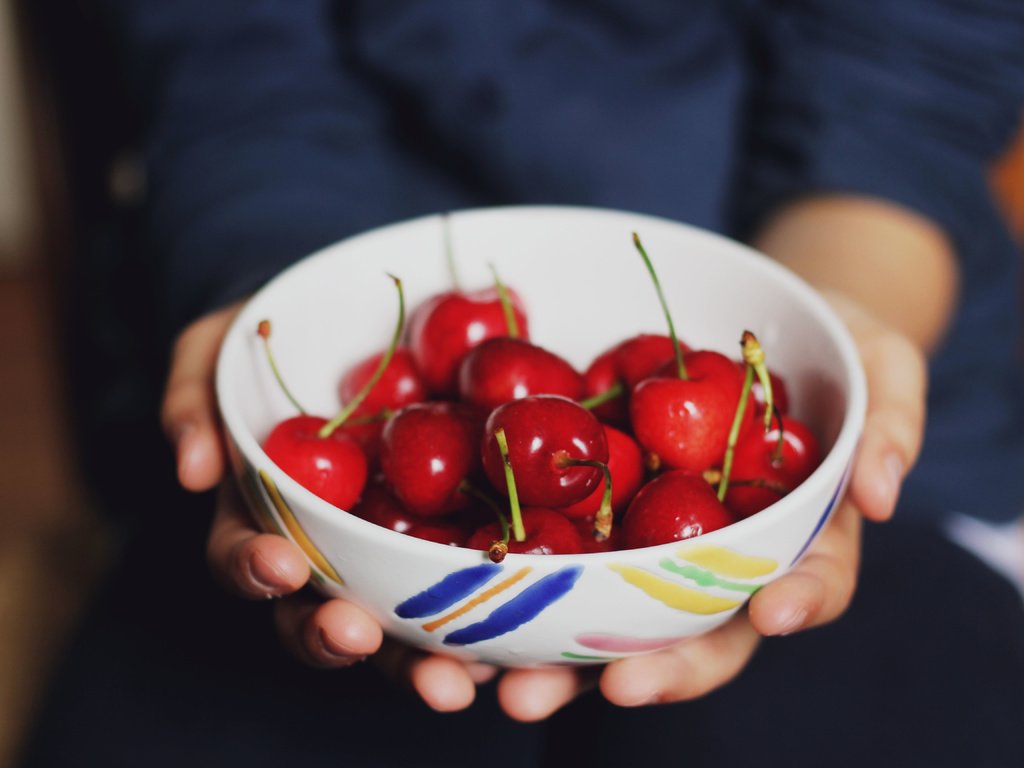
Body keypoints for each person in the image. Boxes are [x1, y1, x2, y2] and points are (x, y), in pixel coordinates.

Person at [19, 1, 1024, 765]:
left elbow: (909, 83)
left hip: (854, 379)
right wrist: (272, 300)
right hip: (328, 411)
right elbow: (237, 73)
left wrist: (837, 320)